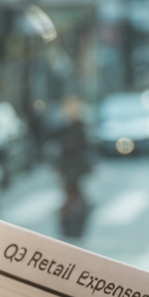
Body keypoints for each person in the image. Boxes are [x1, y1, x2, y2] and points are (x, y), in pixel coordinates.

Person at [53, 96, 93, 238]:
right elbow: (56, 146)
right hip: (67, 166)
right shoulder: (62, 126)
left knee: (75, 194)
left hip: (77, 167)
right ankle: (68, 224)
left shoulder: (80, 126)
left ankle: (76, 222)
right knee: (70, 194)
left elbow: (87, 147)